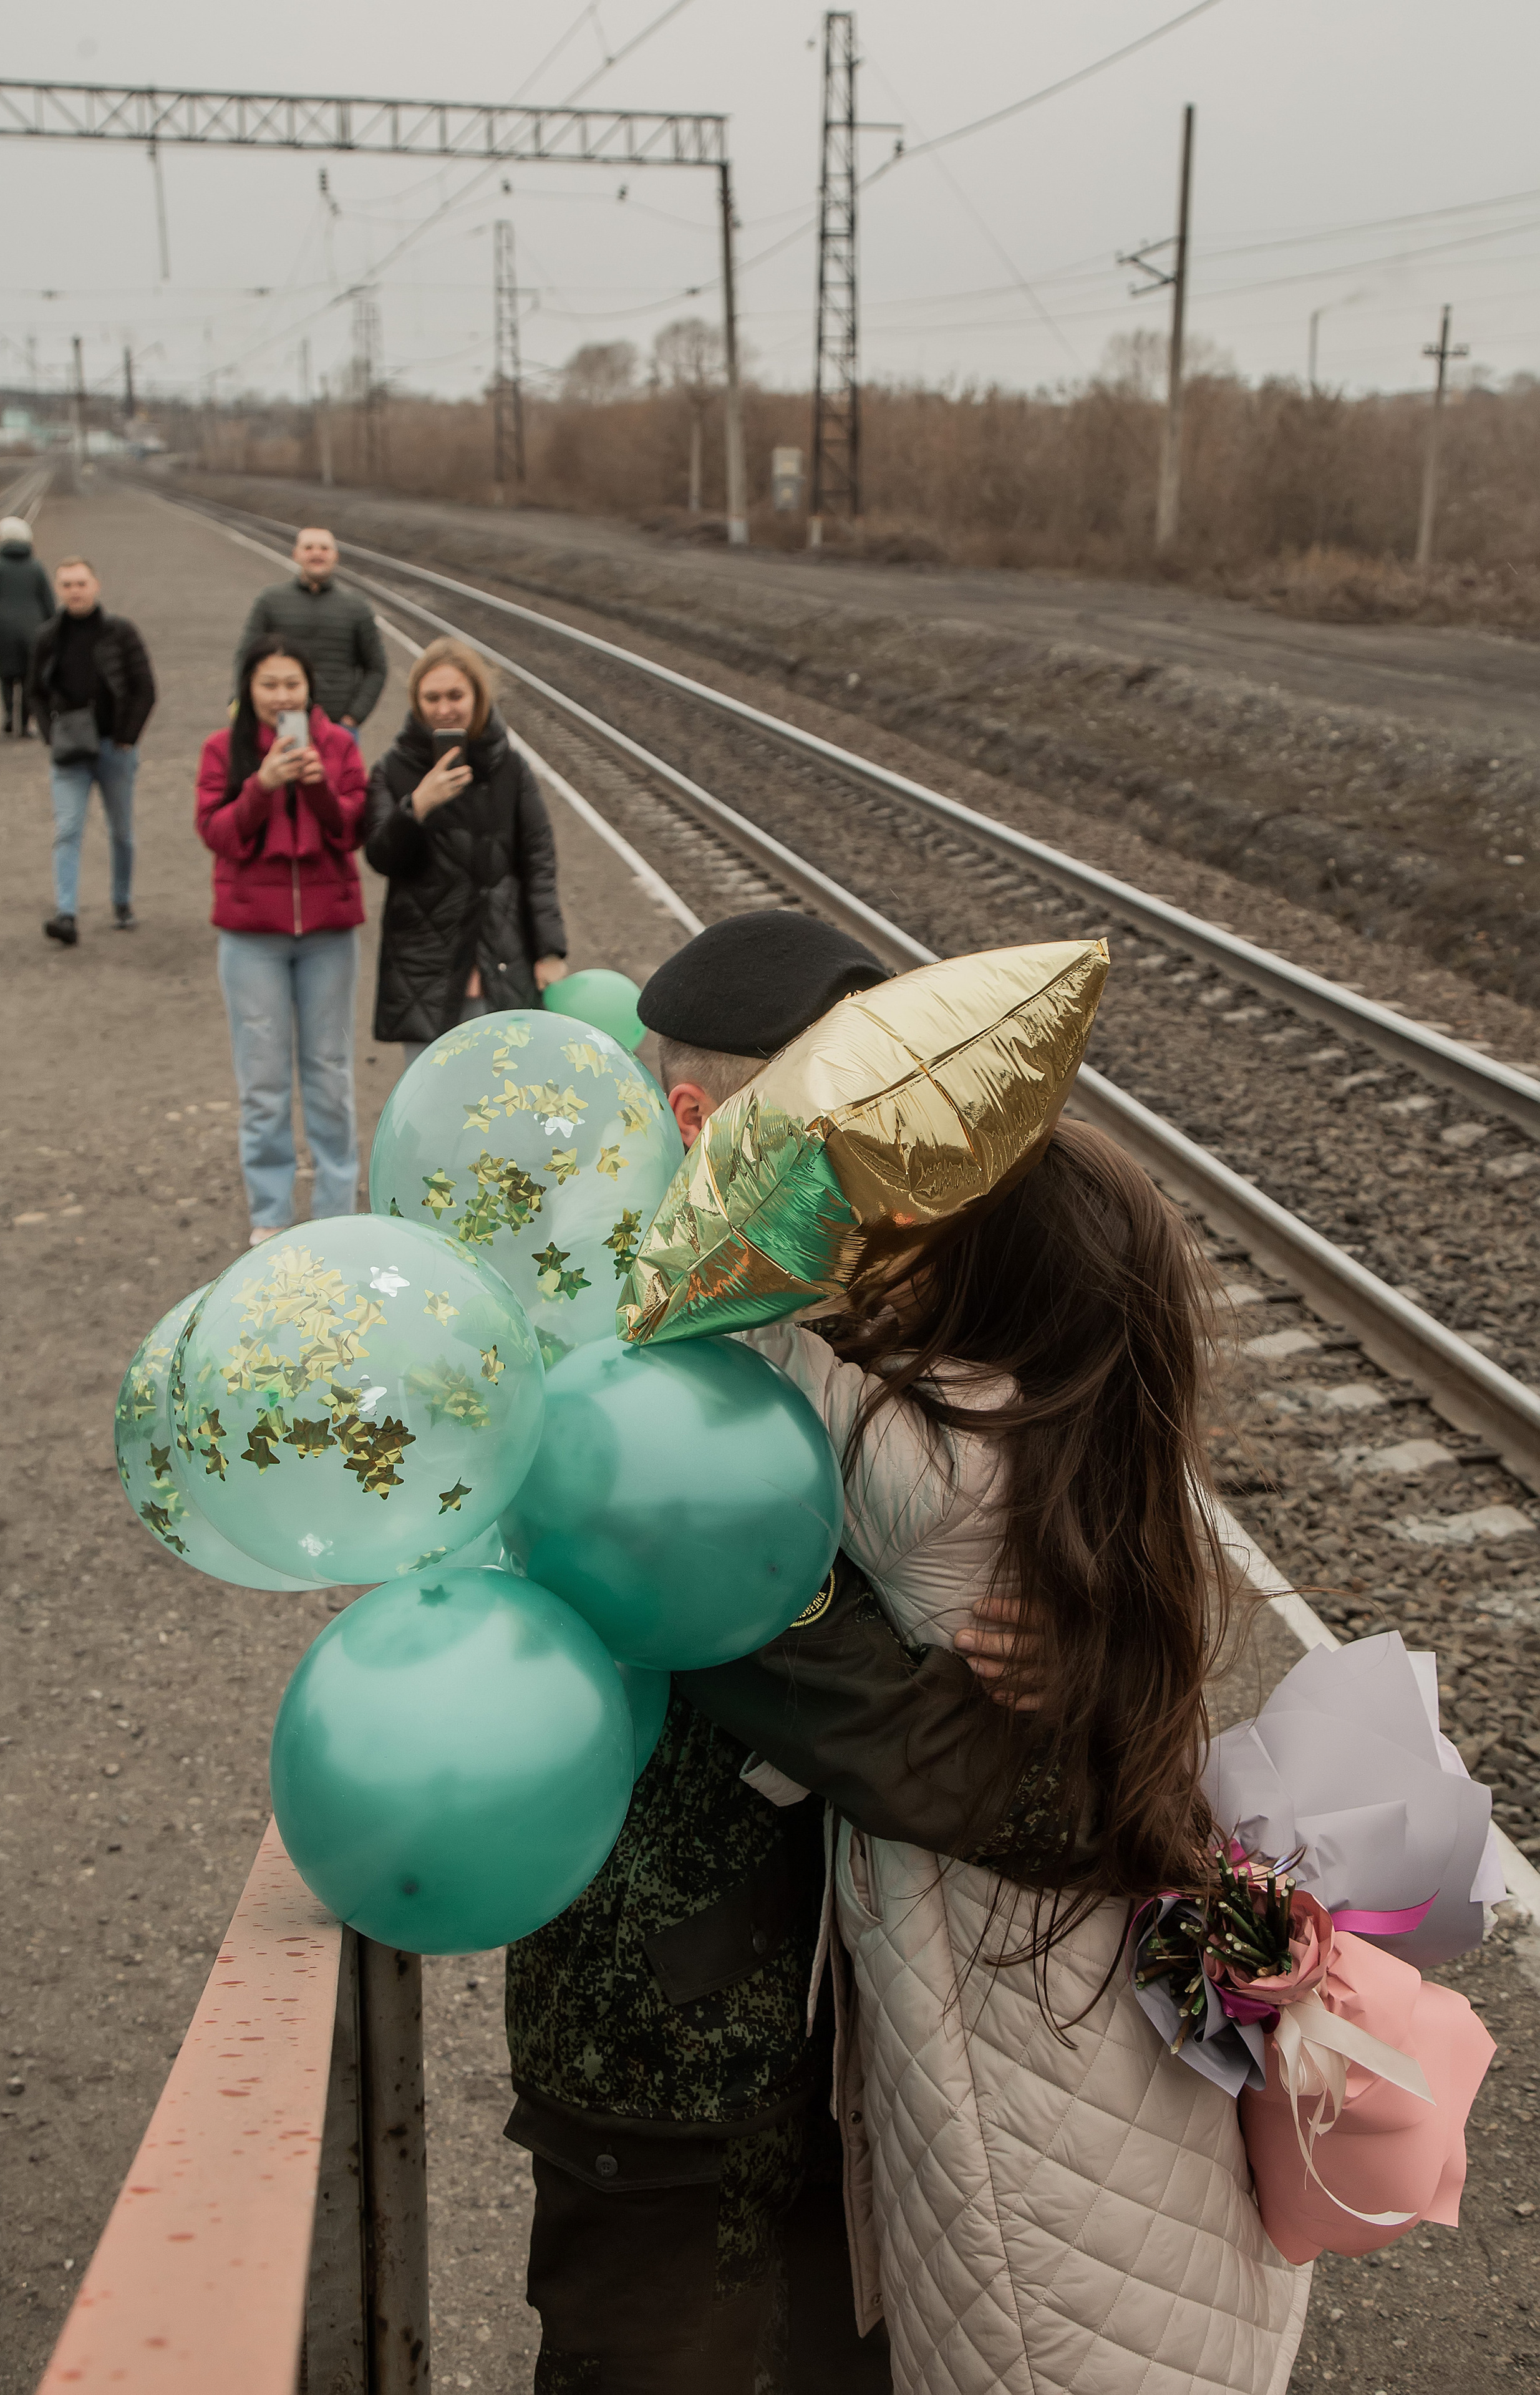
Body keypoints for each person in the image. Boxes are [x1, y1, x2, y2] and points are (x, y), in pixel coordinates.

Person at [504, 912, 1035, 2395]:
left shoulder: (796, 1307)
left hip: (821, 2045)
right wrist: (1100, 1792)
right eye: (842, 1125)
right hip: (676, 2074)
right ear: (701, 1121)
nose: (887, 1169)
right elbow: (910, 1745)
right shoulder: (642, 1389)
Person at [697, 1118, 1310, 2393]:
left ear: (993, 1275)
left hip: (994, 2007)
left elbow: (730, 1340)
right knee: (1151, 2269)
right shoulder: (1103, 1445)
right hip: (1112, 2015)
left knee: (1025, 2313)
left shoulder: (926, 1450)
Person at [194, 637, 367, 1241]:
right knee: (263, 1081)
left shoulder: (341, 746)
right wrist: (261, 785)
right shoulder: (224, 749)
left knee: (329, 1072)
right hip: (251, 938)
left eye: (292, 684)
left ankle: (335, 1205)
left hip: (328, 935)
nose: (281, 696)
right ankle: (269, 1213)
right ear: (249, 689)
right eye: (269, 685)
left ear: (308, 689)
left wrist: (318, 785)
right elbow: (217, 834)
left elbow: (351, 832)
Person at [363, 635, 566, 1066]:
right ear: (416, 702)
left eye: (456, 695)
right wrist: (417, 806)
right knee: (430, 1104)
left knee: (507, 1096)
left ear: (477, 697)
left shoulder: (509, 766)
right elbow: (381, 857)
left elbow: (538, 859)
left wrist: (549, 950)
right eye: (431, 697)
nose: (444, 708)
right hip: (426, 963)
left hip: (501, 952)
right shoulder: (392, 768)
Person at [28, 558, 157, 946]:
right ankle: (66, 914)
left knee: (121, 831)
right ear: (58, 589)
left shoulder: (121, 633)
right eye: (67, 585)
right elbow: (35, 690)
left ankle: (122, 902)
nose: (75, 591)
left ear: (96, 585)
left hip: (113, 749)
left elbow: (144, 687)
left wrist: (127, 735)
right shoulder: (48, 636)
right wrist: (50, 734)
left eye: (81, 583)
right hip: (70, 751)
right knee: (67, 829)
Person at [234, 526, 387, 737]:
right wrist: (240, 703)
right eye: (309, 548)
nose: (317, 553)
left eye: (324, 548)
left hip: (337, 726)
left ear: (335, 556)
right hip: (276, 723)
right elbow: (246, 657)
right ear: (296, 554)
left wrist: (354, 717)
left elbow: (377, 667)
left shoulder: (357, 607)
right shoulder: (270, 601)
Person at [0, 515, 54, 737]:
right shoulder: (36, 567)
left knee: (6, 675)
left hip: (2, 629)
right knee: (29, 676)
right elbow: (49, 601)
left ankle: (8, 717)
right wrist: (55, 629)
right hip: (33, 628)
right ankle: (25, 724)